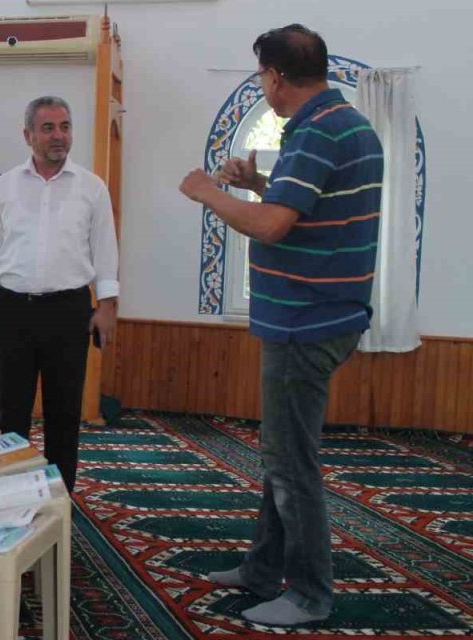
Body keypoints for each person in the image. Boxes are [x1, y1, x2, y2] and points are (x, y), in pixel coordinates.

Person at [177, 24, 383, 627]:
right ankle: (264, 570)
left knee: (291, 464)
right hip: (324, 314)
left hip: (304, 319)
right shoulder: (345, 124)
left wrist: (207, 192)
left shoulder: (317, 131)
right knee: (282, 456)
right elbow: (309, 204)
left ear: (274, 77)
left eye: (262, 75)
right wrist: (258, 185)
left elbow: (271, 227)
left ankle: (310, 594)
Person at [0, 95, 120, 492]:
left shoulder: (92, 188)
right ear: (28, 135)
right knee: (11, 413)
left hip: (69, 312)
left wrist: (107, 306)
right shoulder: (5, 187)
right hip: (14, 311)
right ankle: (8, 495)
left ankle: (58, 500)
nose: (59, 136)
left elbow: (106, 251)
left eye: (65, 127)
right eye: (48, 128)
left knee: (64, 414)